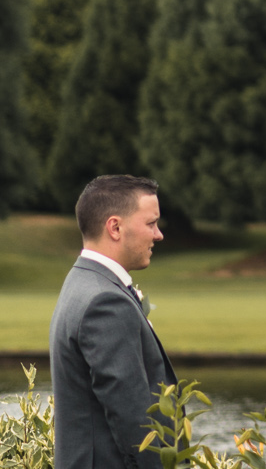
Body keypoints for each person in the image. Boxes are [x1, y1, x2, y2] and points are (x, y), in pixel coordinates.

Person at [50, 174, 176, 469]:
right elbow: (132, 420)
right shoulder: (105, 302)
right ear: (115, 227)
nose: (158, 235)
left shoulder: (81, 281)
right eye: (150, 223)